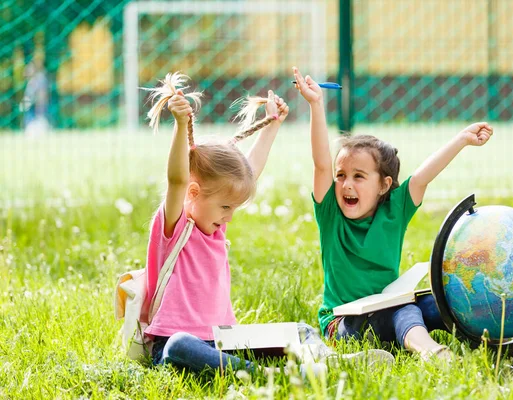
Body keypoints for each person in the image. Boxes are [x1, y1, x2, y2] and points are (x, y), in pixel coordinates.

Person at [292, 66, 513, 361]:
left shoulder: (396, 209)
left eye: (358, 176)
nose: (346, 184)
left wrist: (462, 139)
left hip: (386, 308)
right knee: (403, 310)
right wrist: (316, 104)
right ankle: (431, 352)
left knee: (447, 301)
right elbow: (320, 164)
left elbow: (421, 177)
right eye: (341, 175)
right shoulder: (331, 215)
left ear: (385, 186)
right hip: (343, 325)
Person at [143, 72, 393, 376]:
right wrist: (181, 127)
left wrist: (272, 125)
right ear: (193, 194)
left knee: (301, 329)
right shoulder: (176, 227)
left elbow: (250, 170)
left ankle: (328, 361)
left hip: (222, 340)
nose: (229, 217)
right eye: (225, 207)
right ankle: (265, 374)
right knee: (179, 346)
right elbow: (178, 179)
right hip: (177, 343)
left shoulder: (214, 226)